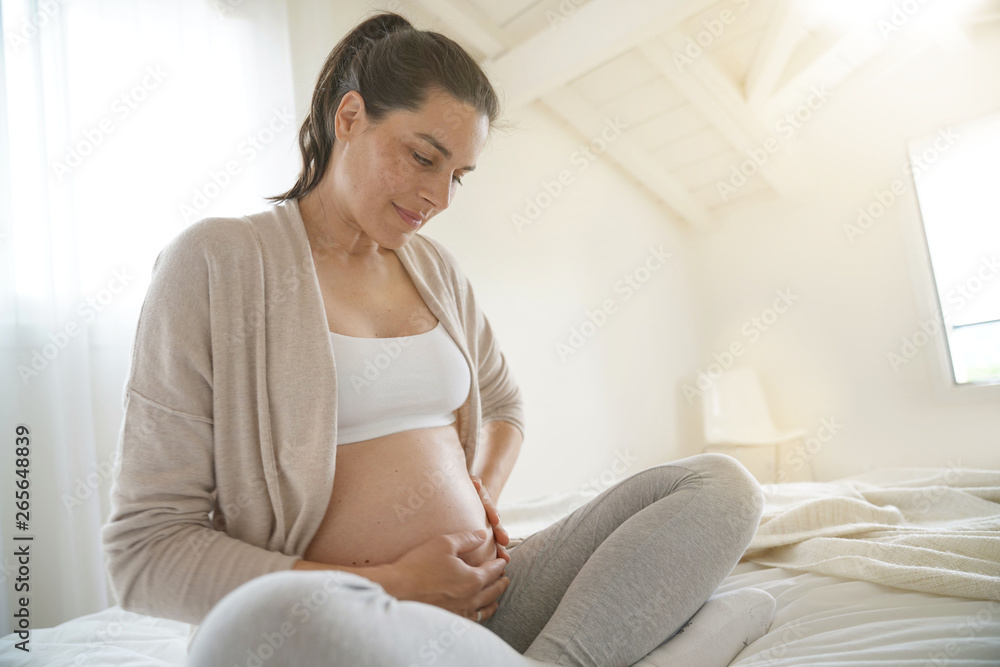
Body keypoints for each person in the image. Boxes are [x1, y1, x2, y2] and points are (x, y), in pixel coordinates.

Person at [101, 10, 768, 667]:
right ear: (350, 117)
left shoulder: (436, 270)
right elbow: (146, 551)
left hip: (483, 597)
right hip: (337, 620)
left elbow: (504, 404)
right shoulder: (218, 262)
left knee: (721, 486)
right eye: (423, 157)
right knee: (251, 631)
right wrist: (391, 584)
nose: (440, 198)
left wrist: (478, 498)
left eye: (457, 176)